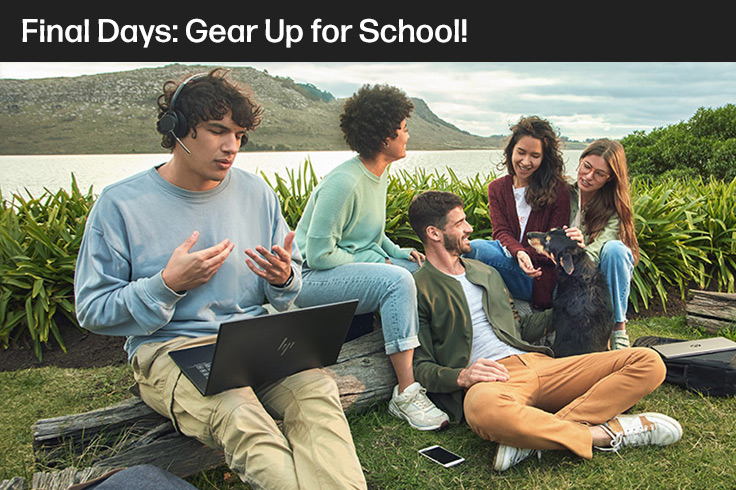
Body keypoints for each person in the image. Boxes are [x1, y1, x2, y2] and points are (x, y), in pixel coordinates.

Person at [74, 69, 367, 490]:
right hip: (172, 347)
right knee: (241, 416)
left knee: (317, 396)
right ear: (176, 129)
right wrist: (167, 285)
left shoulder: (256, 193)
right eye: (217, 131)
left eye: (240, 136)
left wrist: (283, 279)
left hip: (255, 339)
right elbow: (92, 309)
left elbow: (289, 285)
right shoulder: (120, 205)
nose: (232, 147)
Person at [407, 190, 682, 472]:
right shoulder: (418, 288)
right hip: (493, 380)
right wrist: (463, 376)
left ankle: (532, 437)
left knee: (648, 362)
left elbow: (520, 328)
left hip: (544, 364)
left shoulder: (485, 272)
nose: (469, 228)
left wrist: (574, 307)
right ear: (434, 233)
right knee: (481, 412)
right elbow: (421, 366)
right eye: (460, 223)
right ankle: (606, 433)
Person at [293, 84, 449, 431]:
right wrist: (379, 265)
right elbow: (318, 255)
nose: (408, 133)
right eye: (403, 127)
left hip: (347, 266)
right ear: (383, 137)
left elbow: (369, 232)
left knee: (431, 268)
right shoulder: (344, 183)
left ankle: (440, 362)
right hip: (309, 280)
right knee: (395, 281)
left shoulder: (377, 173)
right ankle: (406, 393)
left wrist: (394, 251)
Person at [465, 116, 570, 310]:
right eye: (521, 152)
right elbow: (501, 232)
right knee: (469, 247)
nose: (526, 161)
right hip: (510, 258)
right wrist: (518, 252)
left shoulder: (558, 191)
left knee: (476, 249)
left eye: (535, 156)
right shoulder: (497, 188)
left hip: (537, 274)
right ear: (511, 150)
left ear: (544, 158)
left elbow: (554, 245)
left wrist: (526, 256)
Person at [565, 139, 639, 350]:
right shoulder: (564, 193)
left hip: (595, 270)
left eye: (599, 173)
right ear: (580, 162)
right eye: (587, 167)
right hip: (563, 271)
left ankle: (618, 328)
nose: (588, 176)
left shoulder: (614, 205)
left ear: (609, 178)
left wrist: (580, 256)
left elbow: (602, 246)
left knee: (616, 250)